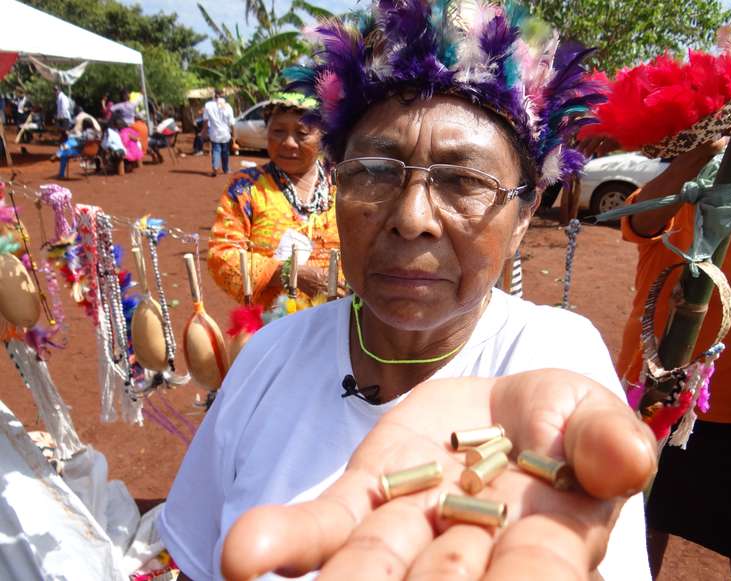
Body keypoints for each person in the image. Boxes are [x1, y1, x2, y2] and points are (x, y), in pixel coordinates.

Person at [159, 3, 657, 580]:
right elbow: (196, 559)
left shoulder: (555, 355)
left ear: (524, 215)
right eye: (374, 169)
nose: (412, 216)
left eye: (465, 180)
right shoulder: (269, 355)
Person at [616, 140, 731, 580]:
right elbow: (640, 218)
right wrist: (707, 149)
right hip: (649, 406)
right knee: (638, 538)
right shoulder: (678, 205)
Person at [207, 92, 340, 308]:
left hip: (342, 321)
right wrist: (287, 272)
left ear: (323, 135)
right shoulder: (246, 187)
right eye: (278, 131)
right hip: (272, 326)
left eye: (302, 133)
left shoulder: (344, 182)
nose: (288, 143)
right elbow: (221, 255)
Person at [202, 88, 235, 177]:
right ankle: (226, 169)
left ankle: (215, 168)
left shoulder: (208, 105)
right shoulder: (228, 106)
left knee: (216, 150)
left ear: (214, 94)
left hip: (214, 133)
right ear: (223, 95)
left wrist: (204, 131)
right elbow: (232, 123)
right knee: (225, 152)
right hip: (225, 134)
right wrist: (233, 136)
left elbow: (205, 120)